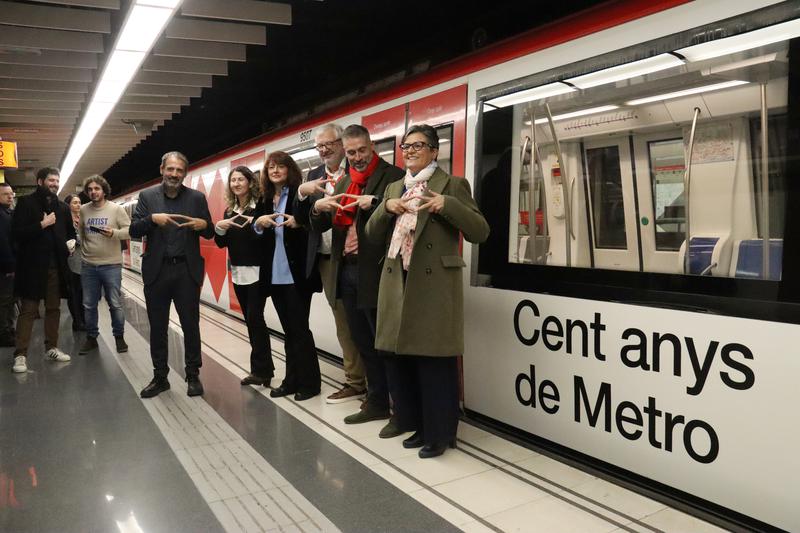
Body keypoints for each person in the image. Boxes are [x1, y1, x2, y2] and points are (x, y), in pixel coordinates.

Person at [365, 124, 490, 458]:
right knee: (404, 359)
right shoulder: (395, 187)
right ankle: (417, 423)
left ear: (435, 151)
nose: (410, 151)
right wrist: (384, 208)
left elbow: (480, 231)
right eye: (406, 147)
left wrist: (446, 205)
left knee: (435, 362)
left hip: (433, 284)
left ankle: (440, 433)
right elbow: (371, 233)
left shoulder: (452, 185)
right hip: (397, 281)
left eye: (418, 146)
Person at [310, 124, 405, 437]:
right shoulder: (346, 180)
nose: (357, 157)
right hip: (347, 270)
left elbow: (400, 218)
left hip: (377, 270)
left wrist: (375, 203)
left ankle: (400, 409)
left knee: (385, 343)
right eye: (351, 153)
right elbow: (323, 221)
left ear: (372, 145)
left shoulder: (392, 176)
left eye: (362, 150)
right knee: (363, 340)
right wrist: (317, 208)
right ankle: (375, 401)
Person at [129, 151, 213, 398]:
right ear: (162, 169)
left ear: (185, 173)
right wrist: (152, 219)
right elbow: (134, 228)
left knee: (191, 325)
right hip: (157, 270)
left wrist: (204, 225)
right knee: (158, 327)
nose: (174, 174)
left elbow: (210, 233)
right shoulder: (147, 197)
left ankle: (193, 375)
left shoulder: (197, 198)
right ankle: (160, 376)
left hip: (186, 270)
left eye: (179, 170)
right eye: (171, 169)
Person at [295, 123, 365, 404]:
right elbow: (301, 219)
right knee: (343, 322)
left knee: (363, 320)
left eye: (329, 144)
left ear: (342, 144)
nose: (324, 150)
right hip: (325, 258)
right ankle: (355, 380)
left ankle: (371, 381)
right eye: (319, 146)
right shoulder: (313, 175)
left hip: (353, 256)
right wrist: (303, 193)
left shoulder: (358, 170)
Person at [253, 151, 321, 401]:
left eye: (281, 166)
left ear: (289, 169)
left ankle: (310, 383)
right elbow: (255, 230)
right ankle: (291, 380)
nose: (275, 171)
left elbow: (310, 221)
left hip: (297, 274)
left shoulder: (299, 192)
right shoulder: (265, 197)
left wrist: (299, 222)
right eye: (271, 167)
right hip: (275, 274)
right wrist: (259, 223)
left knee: (300, 331)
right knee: (288, 331)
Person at [11, 167, 76, 373]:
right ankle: (20, 355)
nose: (55, 184)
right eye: (51, 180)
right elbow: (16, 234)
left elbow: (70, 233)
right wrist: (42, 224)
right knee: (29, 311)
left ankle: (52, 348)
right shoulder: (26, 203)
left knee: (53, 309)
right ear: (40, 182)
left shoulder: (63, 208)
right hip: (31, 268)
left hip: (55, 268)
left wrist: (71, 244)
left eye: (57, 181)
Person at [214, 166, 273, 386]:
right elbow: (222, 243)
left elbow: (266, 240)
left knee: (256, 319)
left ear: (250, 182)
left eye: (241, 179)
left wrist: (255, 226)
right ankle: (263, 368)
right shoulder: (229, 211)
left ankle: (262, 371)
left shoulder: (261, 207)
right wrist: (220, 228)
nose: (236, 184)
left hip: (259, 272)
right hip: (239, 273)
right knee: (250, 321)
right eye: (233, 180)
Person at [78, 175, 131, 355]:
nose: (93, 192)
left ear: (104, 190)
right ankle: (91, 338)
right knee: (89, 305)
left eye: (97, 189)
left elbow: (129, 232)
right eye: (90, 189)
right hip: (88, 266)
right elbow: (81, 234)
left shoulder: (116, 209)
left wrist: (114, 233)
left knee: (115, 304)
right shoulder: (84, 210)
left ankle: (119, 338)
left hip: (111, 266)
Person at [64, 194, 86, 332]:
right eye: (74, 202)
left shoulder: (83, 219)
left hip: (85, 260)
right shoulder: (66, 220)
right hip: (71, 261)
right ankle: (77, 322)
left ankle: (84, 319)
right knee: (74, 293)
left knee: (84, 293)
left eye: (79, 202)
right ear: (68, 205)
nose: (78, 205)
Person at [0, 183, 16, 347]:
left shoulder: (7, 213)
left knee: (9, 300)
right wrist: (10, 266)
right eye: (5, 194)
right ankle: (4, 334)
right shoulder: (2, 215)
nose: (10, 196)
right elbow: (3, 243)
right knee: (5, 301)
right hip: (5, 267)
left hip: (7, 265)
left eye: (11, 194)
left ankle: (8, 329)